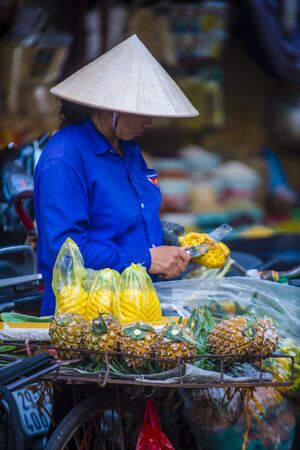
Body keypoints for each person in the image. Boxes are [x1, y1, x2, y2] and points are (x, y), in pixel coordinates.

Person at [34, 34, 199, 316]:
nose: (149, 122)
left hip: (138, 310)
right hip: (86, 319)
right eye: (141, 112)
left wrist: (161, 237)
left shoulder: (128, 148)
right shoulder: (64, 158)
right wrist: (146, 259)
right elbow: (64, 253)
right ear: (109, 106)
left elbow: (125, 221)